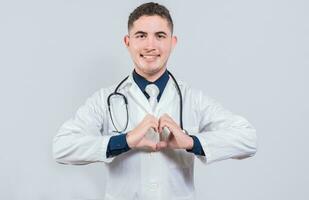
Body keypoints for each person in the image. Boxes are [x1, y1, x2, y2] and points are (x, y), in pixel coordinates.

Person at [53, 2, 257, 200]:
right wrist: (125, 141)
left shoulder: (193, 99)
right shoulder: (104, 99)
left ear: (173, 42)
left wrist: (191, 142)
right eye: (141, 36)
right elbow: (62, 147)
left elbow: (248, 138)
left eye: (160, 36)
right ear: (128, 42)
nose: (150, 45)